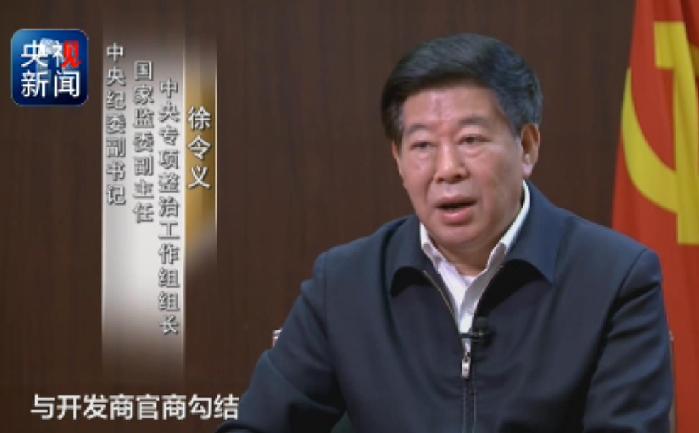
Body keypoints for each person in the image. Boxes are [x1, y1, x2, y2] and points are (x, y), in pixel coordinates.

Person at [217, 33, 673, 433]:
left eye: (471, 140)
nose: (447, 169)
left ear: (527, 147)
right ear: (398, 160)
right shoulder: (345, 284)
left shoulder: (615, 278)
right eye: (422, 146)